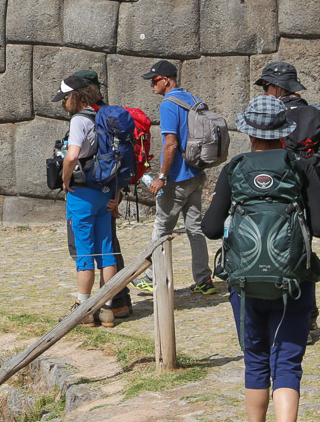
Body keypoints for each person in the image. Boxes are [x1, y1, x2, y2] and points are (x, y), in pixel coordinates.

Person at [202, 95, 320, 422]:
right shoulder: (300, 166)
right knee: (288, 360)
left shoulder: (236, 168)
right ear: (284, 132)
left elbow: (210, 228)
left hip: (245, 282)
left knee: (255, 357)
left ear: (249, 132)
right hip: (293, 280)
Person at [135, 59, 216, 297]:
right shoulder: (191, 99)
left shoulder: (169, 105)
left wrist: (161, 177)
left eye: (155, 80)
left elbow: (170, 144)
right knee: (195, 228)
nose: (152, 85)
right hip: (196, 173)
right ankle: (204, 279)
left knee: (161, 228)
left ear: (167, 80)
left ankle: (152, 279)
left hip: (178, 178)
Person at [55, 70, 126, 327]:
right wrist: (116, 194)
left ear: (75, 97)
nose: (63, 104)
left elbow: (72, 156)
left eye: (64, 99)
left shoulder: (79, 121)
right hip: (106, 191)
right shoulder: (105, 116)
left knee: (84, 252)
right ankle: (107, 308)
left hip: (82, 192)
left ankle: (83, 308)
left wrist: (65, 179)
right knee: (107, 251)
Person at [255, 60, 320, 181]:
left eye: (266, 86)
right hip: (310, 187)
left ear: (279, 87)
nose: (264, 92)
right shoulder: (313, 113)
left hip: (278, 187)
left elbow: (258, 156)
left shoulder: (270, 116)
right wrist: (316, 183)